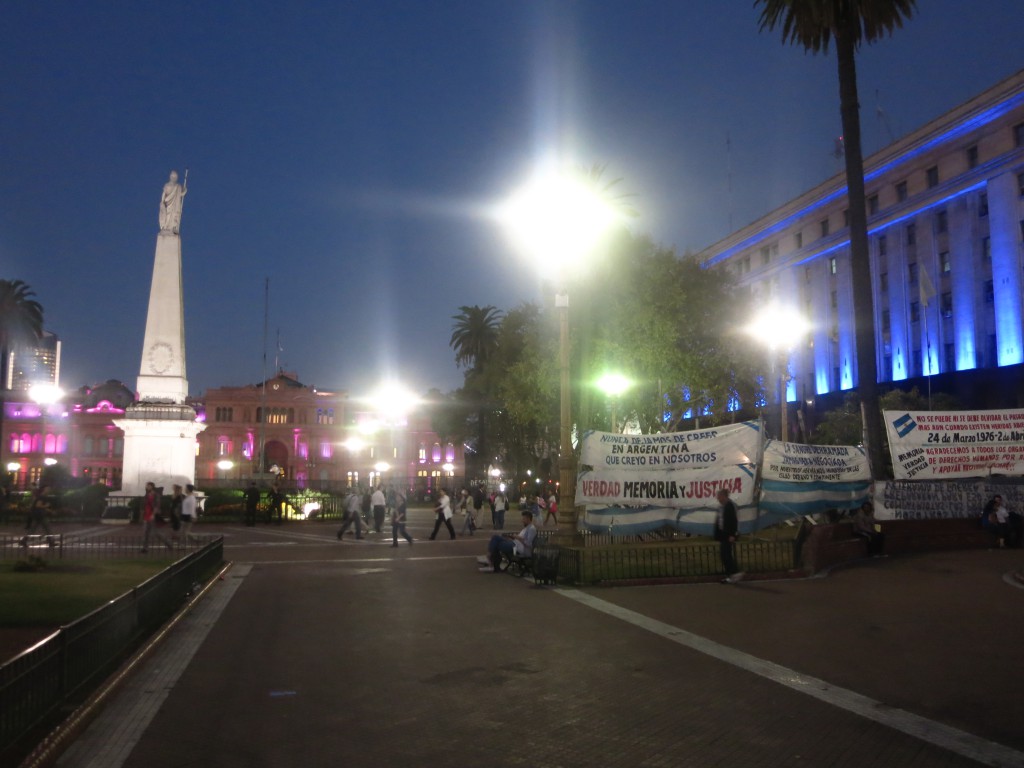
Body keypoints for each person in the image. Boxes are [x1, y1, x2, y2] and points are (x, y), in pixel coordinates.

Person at [714, 488, 743, 583]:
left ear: (724, 496)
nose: (717, 498)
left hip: (728, 534)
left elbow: (734, 521)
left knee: (726, 555)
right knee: (724, 555)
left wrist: (733, 534)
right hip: (723, 534)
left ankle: (734, 573)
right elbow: (720, 520)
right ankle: (731, 574)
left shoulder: (730, 505)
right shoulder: (721, 507)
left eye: (719, 496)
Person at [141, 482, 172, 553]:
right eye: (146, 486)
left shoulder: (156, 495)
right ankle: (145, 548)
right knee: (145, 533)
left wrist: (153, 514)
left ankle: (168, 543)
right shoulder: (146, 495)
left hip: (153, 516)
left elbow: (157, 506)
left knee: (156, 533)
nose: (147, 487)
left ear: (152, 487)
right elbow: (144, 505)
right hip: (146, 516)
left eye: (148, 486)